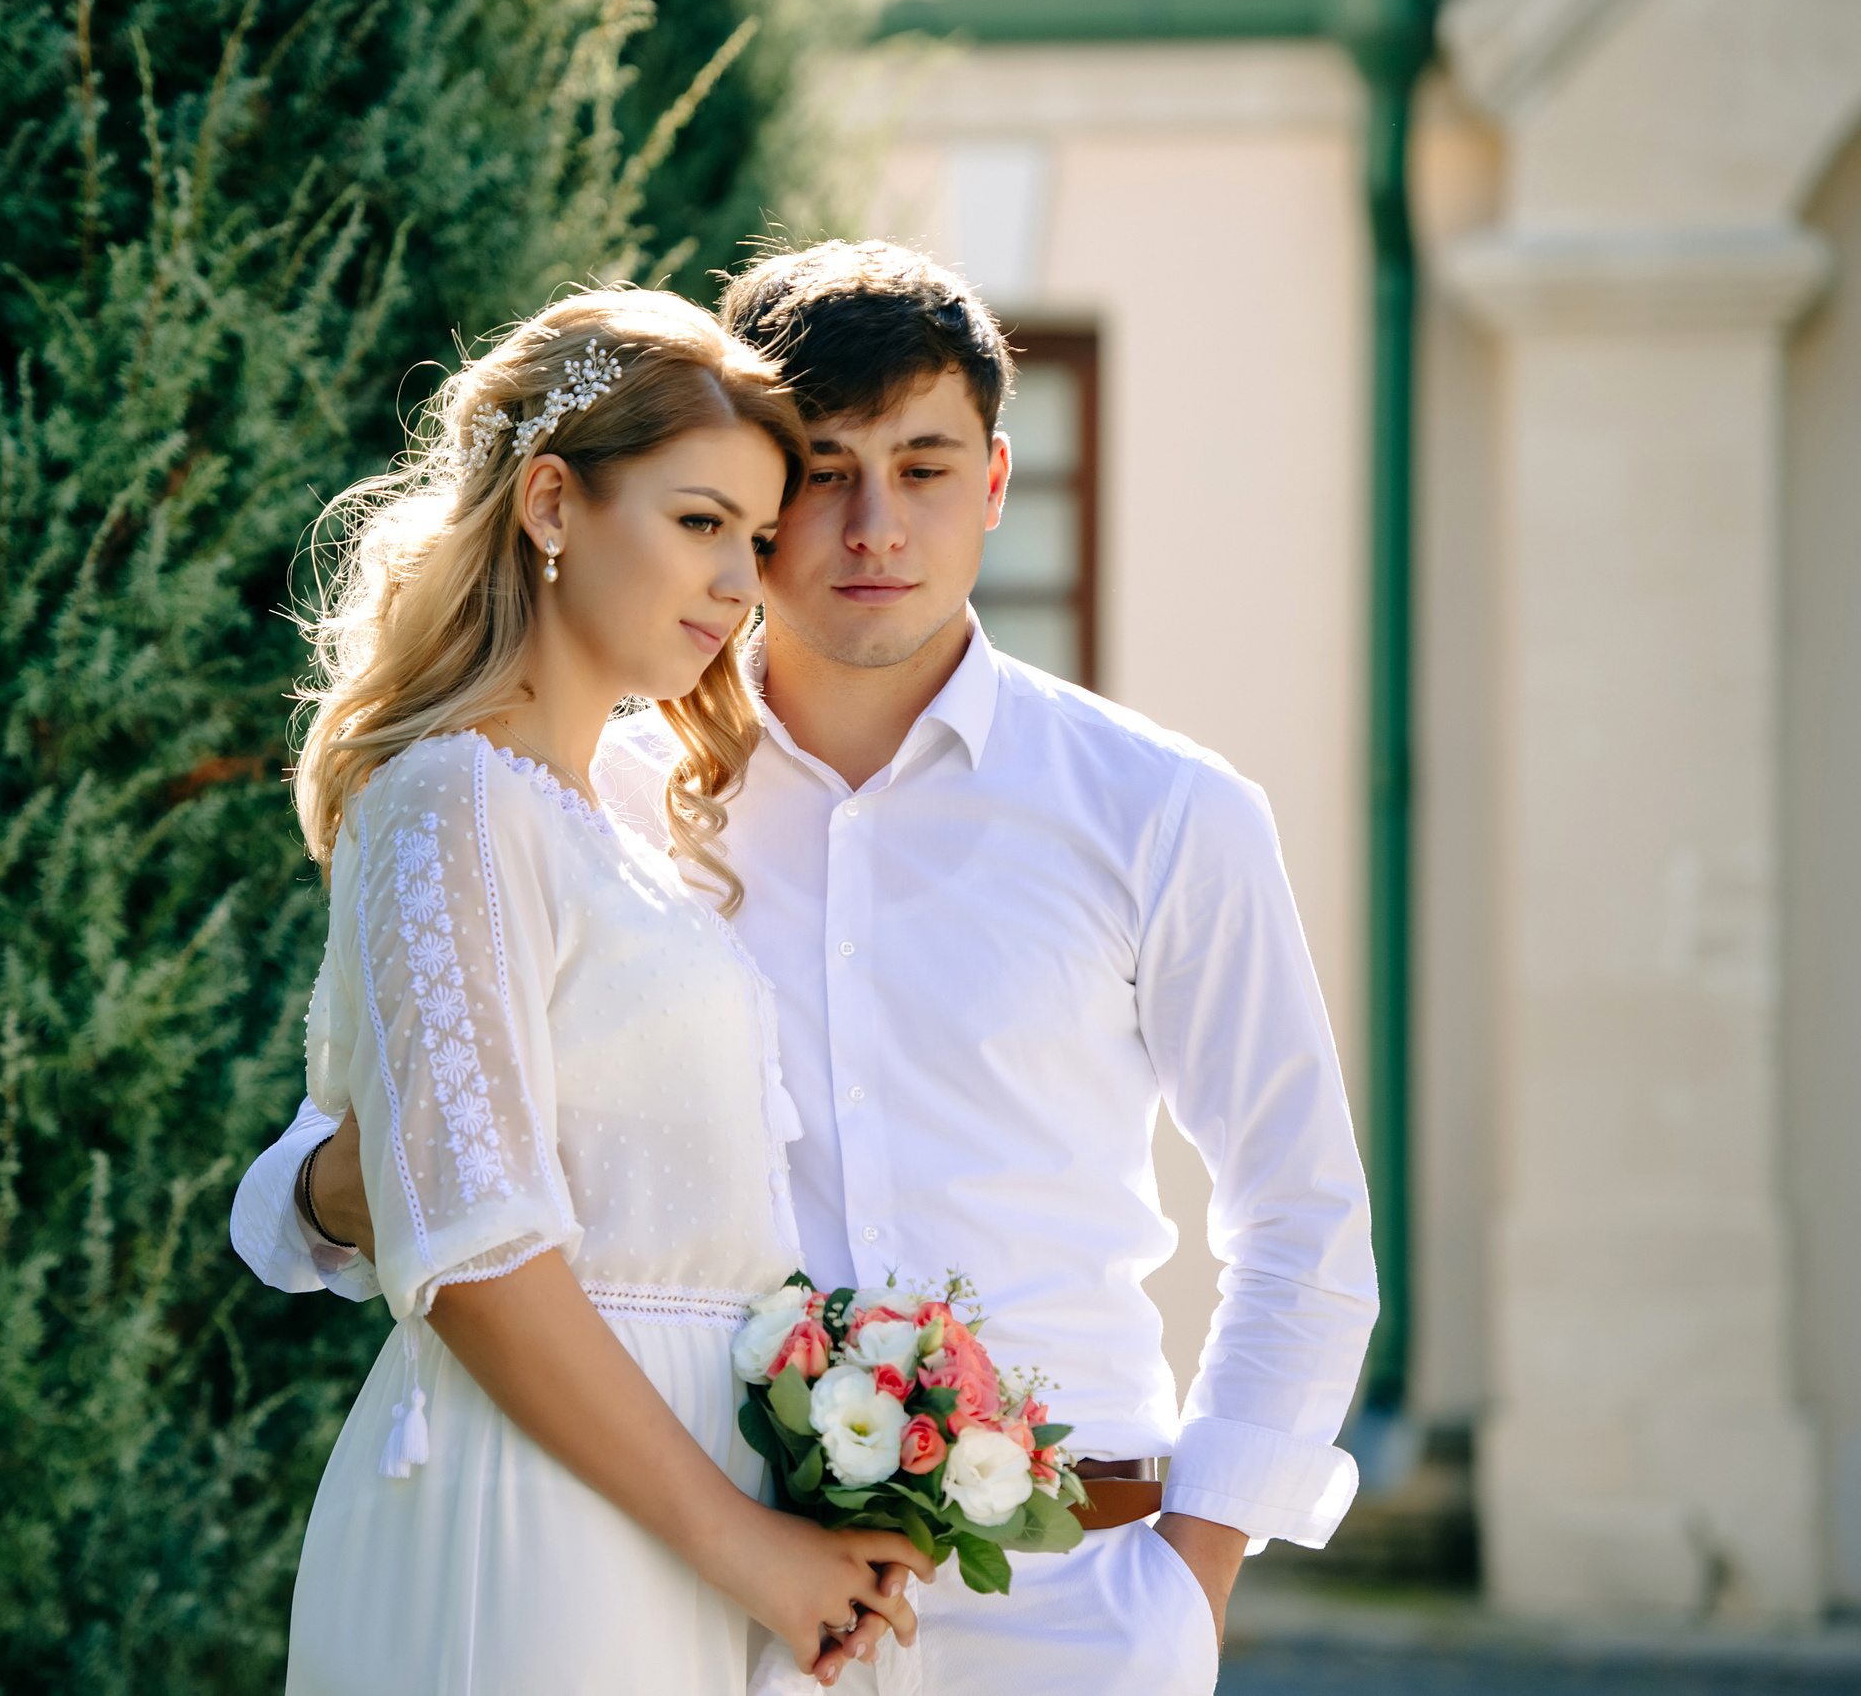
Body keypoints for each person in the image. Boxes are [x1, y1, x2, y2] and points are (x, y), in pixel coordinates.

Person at [237, 241, 1379, 1696]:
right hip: (722, 1588)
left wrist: (1188, 1584)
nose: (873, 525)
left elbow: (1302, 1223)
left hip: (1073, 1596)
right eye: (823, 474)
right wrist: (366, 1182)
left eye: (924, 465)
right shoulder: (605, 795)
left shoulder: (1162, 811)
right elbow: (356, 1182)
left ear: (999, 481)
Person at [274, 284, 936, 1696]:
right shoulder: (451, 800)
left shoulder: (617, 832)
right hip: (545, 1511)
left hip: (681, 1503)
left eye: (757, 541)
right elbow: (477, 1252)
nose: (742, 583)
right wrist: (742, 1547)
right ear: (556, 504)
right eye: (700, 523)